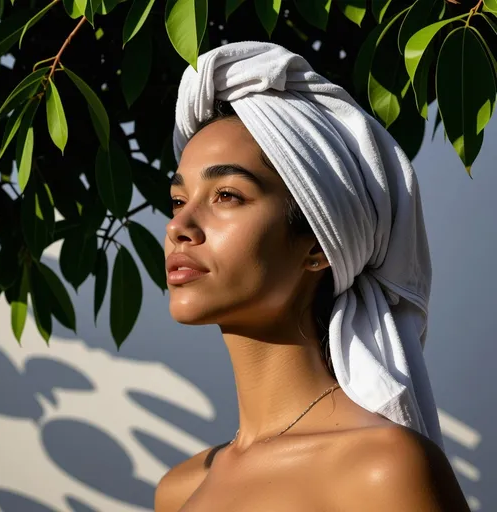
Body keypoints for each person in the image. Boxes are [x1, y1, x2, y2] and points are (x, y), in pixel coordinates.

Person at [155, 41, 470, 511]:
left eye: (227, 196)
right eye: (179, 201)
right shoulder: (178, 490)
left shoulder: (383, 469)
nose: (180, 227)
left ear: (319, 246)